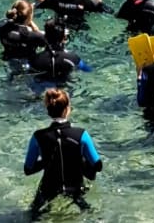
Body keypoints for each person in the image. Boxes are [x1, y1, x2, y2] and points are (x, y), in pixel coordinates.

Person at [24, 88, 102, 219]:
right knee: (90, 215)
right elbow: (98, 165)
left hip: (48, 189)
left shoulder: (38, 136)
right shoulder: (82, 134)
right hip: (76, 188)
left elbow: (28, 169)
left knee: (33, 215)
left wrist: (46, 161)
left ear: (48, 110)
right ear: (67, 109)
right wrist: (81, 162)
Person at [30, 19, 92, 84]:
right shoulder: (73, 58)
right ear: (64, 37)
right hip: (64, 89)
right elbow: (88, 70)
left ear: (45, 37)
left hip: (40, 89)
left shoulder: (34, 60)